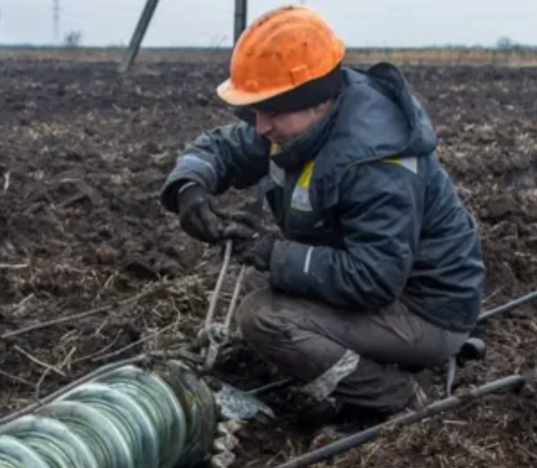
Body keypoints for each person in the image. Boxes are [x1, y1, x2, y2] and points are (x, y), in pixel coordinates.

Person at [160, 4, 486, 431]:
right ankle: (356, 361)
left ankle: (390, 397)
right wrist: (189, 188)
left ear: (315, 102)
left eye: (271, 112)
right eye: (257, 111)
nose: (260, 127)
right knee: (263, 285)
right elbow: (223, 148)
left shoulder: (375, 164)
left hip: (426, 310)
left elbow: (373, 278)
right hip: (385, 288)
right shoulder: (302, 124)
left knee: (266, 317)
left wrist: (273, 253)